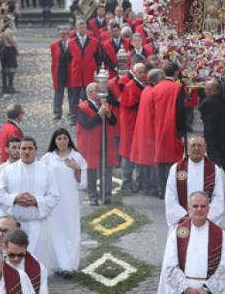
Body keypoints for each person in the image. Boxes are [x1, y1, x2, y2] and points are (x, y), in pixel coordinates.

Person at [0, 137, 61, 270]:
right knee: (14, 265)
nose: (26, 151)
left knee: (38, 264)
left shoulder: (46, 171)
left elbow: (54, 197)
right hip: (14, 226)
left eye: (30, 148)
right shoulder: (7, 171)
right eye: (23, 148)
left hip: (38, 224)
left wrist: (36, 201)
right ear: (19, 150)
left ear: (36, 150)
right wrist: (15, 198)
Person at [40, 128, 87, 275]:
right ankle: (58, 265)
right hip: (54, 202)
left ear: (69, 140)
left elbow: (83, 184)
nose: (62, 141)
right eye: (59, 139)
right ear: (54, 141)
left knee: (70, 231)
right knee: (55, 231)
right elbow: (41, 178)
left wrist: (77, 170)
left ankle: (69, 265)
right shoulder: (48, 158)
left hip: (70, 201)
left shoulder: (77, 157)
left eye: (64, 138)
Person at [164, 135, 225, 227]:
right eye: (193, 145)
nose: (196, 148)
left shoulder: (214, 170)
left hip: (206, 222)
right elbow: (170, 196)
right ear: (188, 148)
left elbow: (218, 198)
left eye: (200, 145)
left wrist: (203, 217)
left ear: (205, 148)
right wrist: (183, 216)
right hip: (182, 222)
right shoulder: (176, 169)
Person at [76, 83, 118, 205]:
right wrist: (99, 115)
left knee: (107, 169)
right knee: (92, 170)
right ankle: (93, 196)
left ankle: (107, 194)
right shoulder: (82, 107)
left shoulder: (104, 105)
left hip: (105, 141)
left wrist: (109, 114)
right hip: (91, 144)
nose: (101, 94)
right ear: (91, 93)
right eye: (98, 91)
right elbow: (86, 124)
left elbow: (114, 121)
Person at [149, 62, 188, 193]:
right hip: (173, 126)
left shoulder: (156, 88)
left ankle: (161, 188)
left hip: (158, 126)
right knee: (174, 158)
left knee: (160, 157)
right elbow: (181, 110)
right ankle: (172, 188)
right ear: (176, 72)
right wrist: (182, 128)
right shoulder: (177, 88)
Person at [199, 78, 225, 200]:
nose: (205, 90)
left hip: (212, 138)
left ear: (213, 90)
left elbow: (202, 113)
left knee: (214, 165)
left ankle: (212, 189)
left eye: (207, 88)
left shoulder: (207, 102)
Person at [118, 63, 147, 192]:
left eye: (144, 72)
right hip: (131, 124)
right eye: (140, 72)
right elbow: (131, 103)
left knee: (139, 151)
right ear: (134, 73)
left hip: (138, 123)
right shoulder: (131, 86)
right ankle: (126, 181)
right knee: (128, 153)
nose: (143, 74)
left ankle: (139, 181)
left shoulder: (142, 85)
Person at [67, 20, 101, 123]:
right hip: (76, 72)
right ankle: (73, 116)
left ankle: (90, 114)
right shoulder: (71, 42)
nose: (82, 29)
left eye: (83, 27)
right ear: (76, 29)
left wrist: (97, 72)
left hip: (89, 71)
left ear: (87, 28)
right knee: (74, 96)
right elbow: (68, 58)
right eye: (80, 27)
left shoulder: (94, 41)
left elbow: (98, 58)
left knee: (89, 95)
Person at [48, 27, 72, 120]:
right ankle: (57, 112)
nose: (63, 36)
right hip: (59, 72)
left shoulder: (72, 44)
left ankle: (72, 112)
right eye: (62, 34)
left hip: (70, 72)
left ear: (68, 34)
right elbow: (54, 58)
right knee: (58, 93)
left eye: (65, 34)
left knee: (71, 94)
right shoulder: (54, 45)